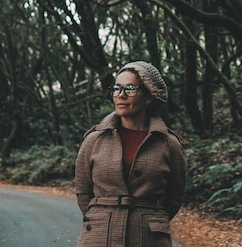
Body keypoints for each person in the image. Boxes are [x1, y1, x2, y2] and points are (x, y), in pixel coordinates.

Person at [74, 61, 187, 247]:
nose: (121, 95)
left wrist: (150, 217)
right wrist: (101, 217)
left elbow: (174, 197)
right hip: (98, 236)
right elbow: (83, 191)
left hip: (149, 237)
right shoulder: (94, 140)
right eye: (117, 88)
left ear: (148, 97)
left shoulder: (169, 144)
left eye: (130, 89)